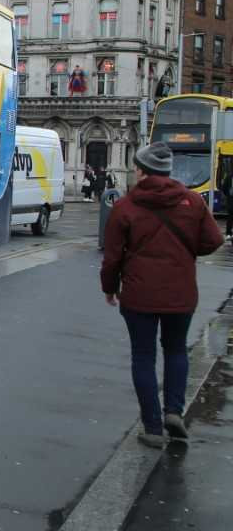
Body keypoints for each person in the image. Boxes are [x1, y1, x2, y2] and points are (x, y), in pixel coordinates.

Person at [101, 142, 223, 447]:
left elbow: (112, 256)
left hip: (139, 295)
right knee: (176, 350)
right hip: (181, 292)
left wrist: (110, 287)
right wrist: (186, 252)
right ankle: (174, 412)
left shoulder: (126, 207)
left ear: (142, 170)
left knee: (143, 356)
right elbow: (213, 240)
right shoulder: (192, 202)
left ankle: (153, 427)